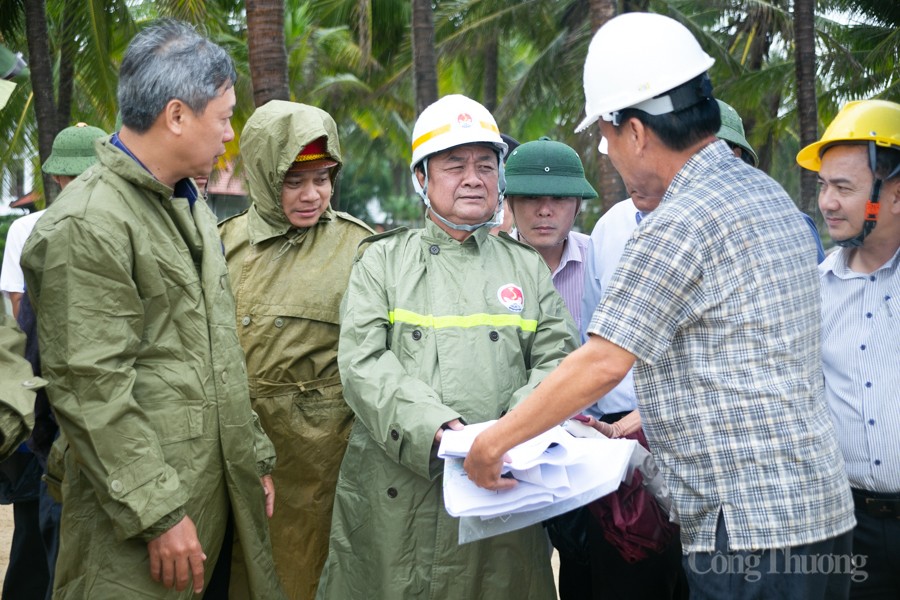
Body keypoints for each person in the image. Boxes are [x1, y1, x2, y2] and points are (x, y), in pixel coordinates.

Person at [464, 13, 856, 599]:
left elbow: (601, 362)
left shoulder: (679, 220)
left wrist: (491, 444)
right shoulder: (767, 194)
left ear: (638, 132)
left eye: (608, 137)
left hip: (747, 534)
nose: (612, 157)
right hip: (820, 514)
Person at [20, 19, 284, 599]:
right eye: (223, 116)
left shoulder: (186, 205)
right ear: (176, 116)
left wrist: (252, 453)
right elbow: (92, 388)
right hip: (141, 519)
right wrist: (158, 512)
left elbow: (212, 353)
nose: (228, 134)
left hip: (210, 497)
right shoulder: (90, 224)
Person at [315, 94, 576, 600]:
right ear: (422, 178)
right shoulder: (382, 262)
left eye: (485, 164)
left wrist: (509, 435)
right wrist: (440, 432)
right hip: (401, 494)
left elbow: (558, 359)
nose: (473, 177)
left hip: (504, 484)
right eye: (454, 164)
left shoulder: (525, 267)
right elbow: (363, 364)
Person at [219, 100, 373, 600]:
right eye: (294, 181)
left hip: (314, 464)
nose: (313, 196)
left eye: (324, 179)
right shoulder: (220, 245)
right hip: (227, 450)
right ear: (264, 174)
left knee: (299, 581)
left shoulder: (359, 249)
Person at [797, 98, 900, 599]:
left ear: (896, 195)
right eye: (823, 186)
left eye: (843, 187)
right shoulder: (814, 290)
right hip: (843, 524)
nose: (826, 202)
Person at [0, 122, 106, 600]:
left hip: (74, 403)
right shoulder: (29, 228)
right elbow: (22, 311)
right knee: (38, 531)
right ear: (59, 180)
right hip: (42, 396)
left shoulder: (117, 227)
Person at [2, 123, 107, 318]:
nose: (83, 184)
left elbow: (19, 303)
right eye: (76, 176)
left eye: (90, 176)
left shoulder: (26, 228)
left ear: (55, 176)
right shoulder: (24, 228)